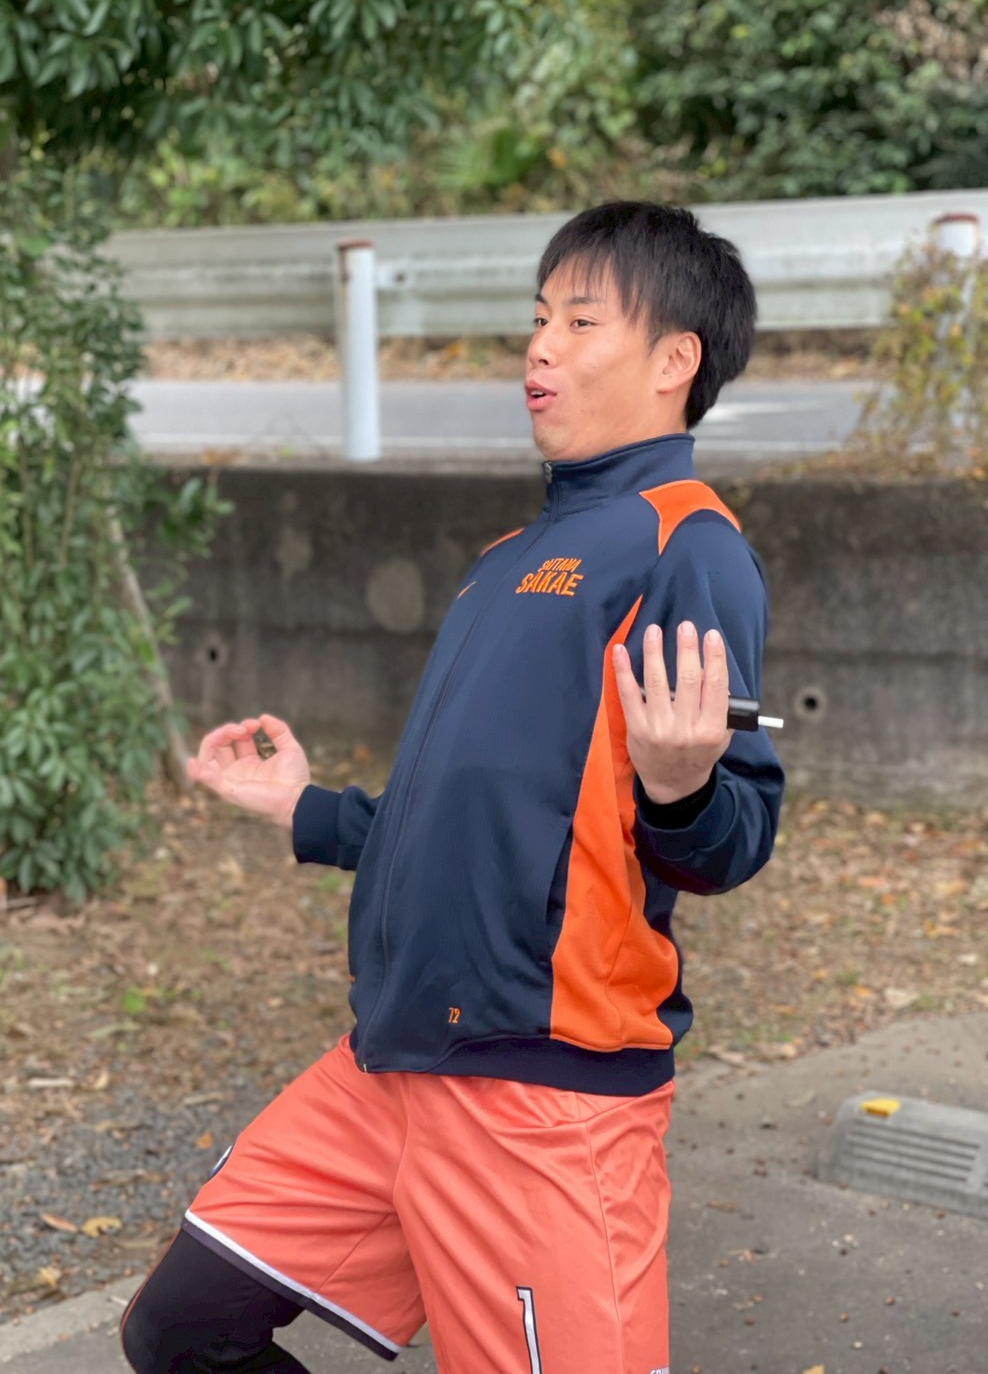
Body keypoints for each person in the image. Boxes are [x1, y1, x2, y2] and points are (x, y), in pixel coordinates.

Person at [120, 201, 785, 1374]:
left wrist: (683, 787)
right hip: (392, 1061)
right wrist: (306, 810)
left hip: (547, 1091)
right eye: (537, 318)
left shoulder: (688, 545)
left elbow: (730, 837)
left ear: (674, 359)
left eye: (580, 321)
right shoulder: (503, 561)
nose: (539, 346)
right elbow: (479, 814)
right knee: (183, 1331)